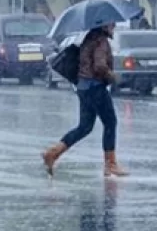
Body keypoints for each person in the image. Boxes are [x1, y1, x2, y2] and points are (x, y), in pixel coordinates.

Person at [41, 23, 128, 178]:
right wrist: (112, 76)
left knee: (85, 127)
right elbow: (100, 65)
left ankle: (53, 153)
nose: (113, 26)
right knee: (110, 122)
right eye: (111, 24)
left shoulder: (89, 38)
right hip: (95, 87)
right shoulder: (100, 40)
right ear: (104, 26)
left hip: (83, 87)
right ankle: (110, 164)